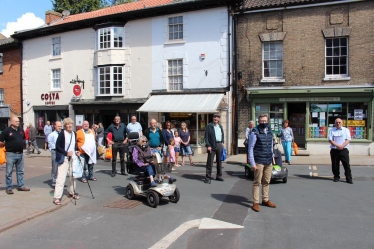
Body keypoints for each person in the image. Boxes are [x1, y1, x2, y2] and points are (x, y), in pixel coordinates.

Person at [248, 114, 277, 212]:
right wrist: (252, 163)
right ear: (258, 122)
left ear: (267, 121)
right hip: (259, 160)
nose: (263, 123)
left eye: (265, 121)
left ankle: (265, 199)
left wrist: (273, 157)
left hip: (268, 160)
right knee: (257, 182)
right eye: (261, 121)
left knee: (267, 181)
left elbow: (271, 146)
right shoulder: (254, 132)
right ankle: (255, 202)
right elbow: (250, 148)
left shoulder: (269, 132)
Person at [53, 117, 80, 205]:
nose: (69, 125)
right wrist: (66, 153)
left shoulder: (74, 133)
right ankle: (57, 197)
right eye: (67, 124)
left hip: (73, 158)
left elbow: (74, 146)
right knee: (61, 178)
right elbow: (57, 146)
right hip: (64, 158)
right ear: (65, 125)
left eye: (70, 124)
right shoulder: (62, 133)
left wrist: (77, 151)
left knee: (73, 177)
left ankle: (71, 192)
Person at [0, 117, 31, 195]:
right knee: (9, 172)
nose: (18, 122)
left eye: (18, 121)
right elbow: (0, 141)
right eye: (16, 121)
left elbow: (23, 138)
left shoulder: (21, 130)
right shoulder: (6, 131)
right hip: (10, 154)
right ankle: (9, 188)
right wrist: (6, 145)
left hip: (20, 154)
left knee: (20, 171)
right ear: (11, 122)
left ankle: (21, 186)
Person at [328, 118, 353, 184]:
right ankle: (336, 177)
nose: (338, 123)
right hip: (334, 150)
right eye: (337, 122)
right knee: (335, 165)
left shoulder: (346, 130)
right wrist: (338, 146)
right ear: (335, 123)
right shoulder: (331, 130)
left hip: (344, 150)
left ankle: (348, 178)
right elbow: (330, 140)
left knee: (346, 165)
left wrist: (342, 146)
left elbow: (348, 139)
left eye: (339, 122)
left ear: (342, 123)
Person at [204, 114, 224, 183]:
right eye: (214, 117)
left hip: (219, 144)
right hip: (211, 145)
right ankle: (208, 177)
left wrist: (222, 142)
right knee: (210, 162)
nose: (215, 118)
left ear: (219, 119)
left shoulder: (220, 126)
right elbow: (206, 138)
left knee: (219, 161)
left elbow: (222, 135)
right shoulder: (209, 126)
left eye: (217, 117)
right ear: (212, 118)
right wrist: (208, 145)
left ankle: (219, 176)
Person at [48, 121, 62, 186]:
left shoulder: (62, 134)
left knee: (61, 167)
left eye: (61, 126)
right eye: (58, 126)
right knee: (55, 167)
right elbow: (50, 145)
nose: (60, 127)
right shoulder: (51, 135)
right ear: (55, 126)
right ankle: (54, 181)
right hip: (55, 151)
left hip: (61, 152)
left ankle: (59, 181)